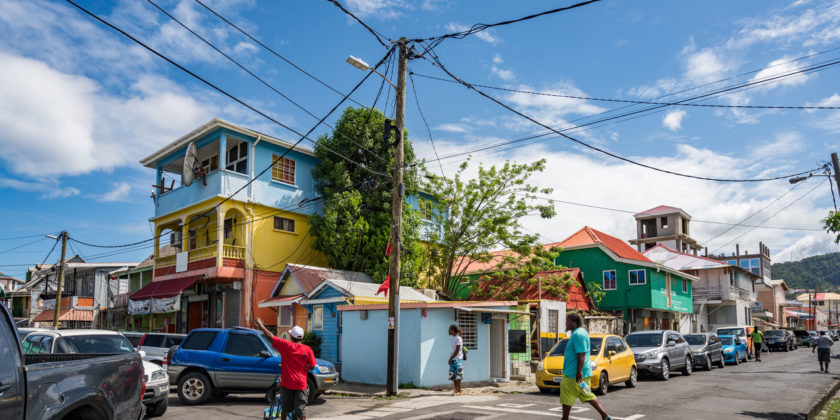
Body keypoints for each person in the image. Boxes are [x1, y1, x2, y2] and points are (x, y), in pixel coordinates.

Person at [257, 318, 316, 420]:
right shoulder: (308, 350)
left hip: (287, 383)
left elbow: (271, 336)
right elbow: (312, 366)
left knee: (285, 410)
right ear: (301, 337)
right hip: (300, 384)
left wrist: (261, 325)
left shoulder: (286, 346)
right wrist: (305, 369)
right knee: (301, 411)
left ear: (291, 336)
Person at [560, 313, 612, 420]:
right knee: (586, 394)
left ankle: (565, 418)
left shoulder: (578, 335)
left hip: (573, 374)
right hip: (582, 373)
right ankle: (605, 416)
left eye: (568, 321)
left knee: (567, 396)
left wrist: (578, 372)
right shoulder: (580, 332)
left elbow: (581, 354)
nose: (566, 323)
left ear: (575, 323)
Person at [448, 325, 464, 395]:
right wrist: (451, 358)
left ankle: (459, 391)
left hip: (458, 359)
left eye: (450, 329)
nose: (449, 331)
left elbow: (457, 350)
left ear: (453, 330)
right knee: (453, 375)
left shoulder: (458, 338)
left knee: (458, 375)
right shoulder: (453, 338)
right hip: (453, 359)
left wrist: (451, 358)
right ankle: (455, 390)